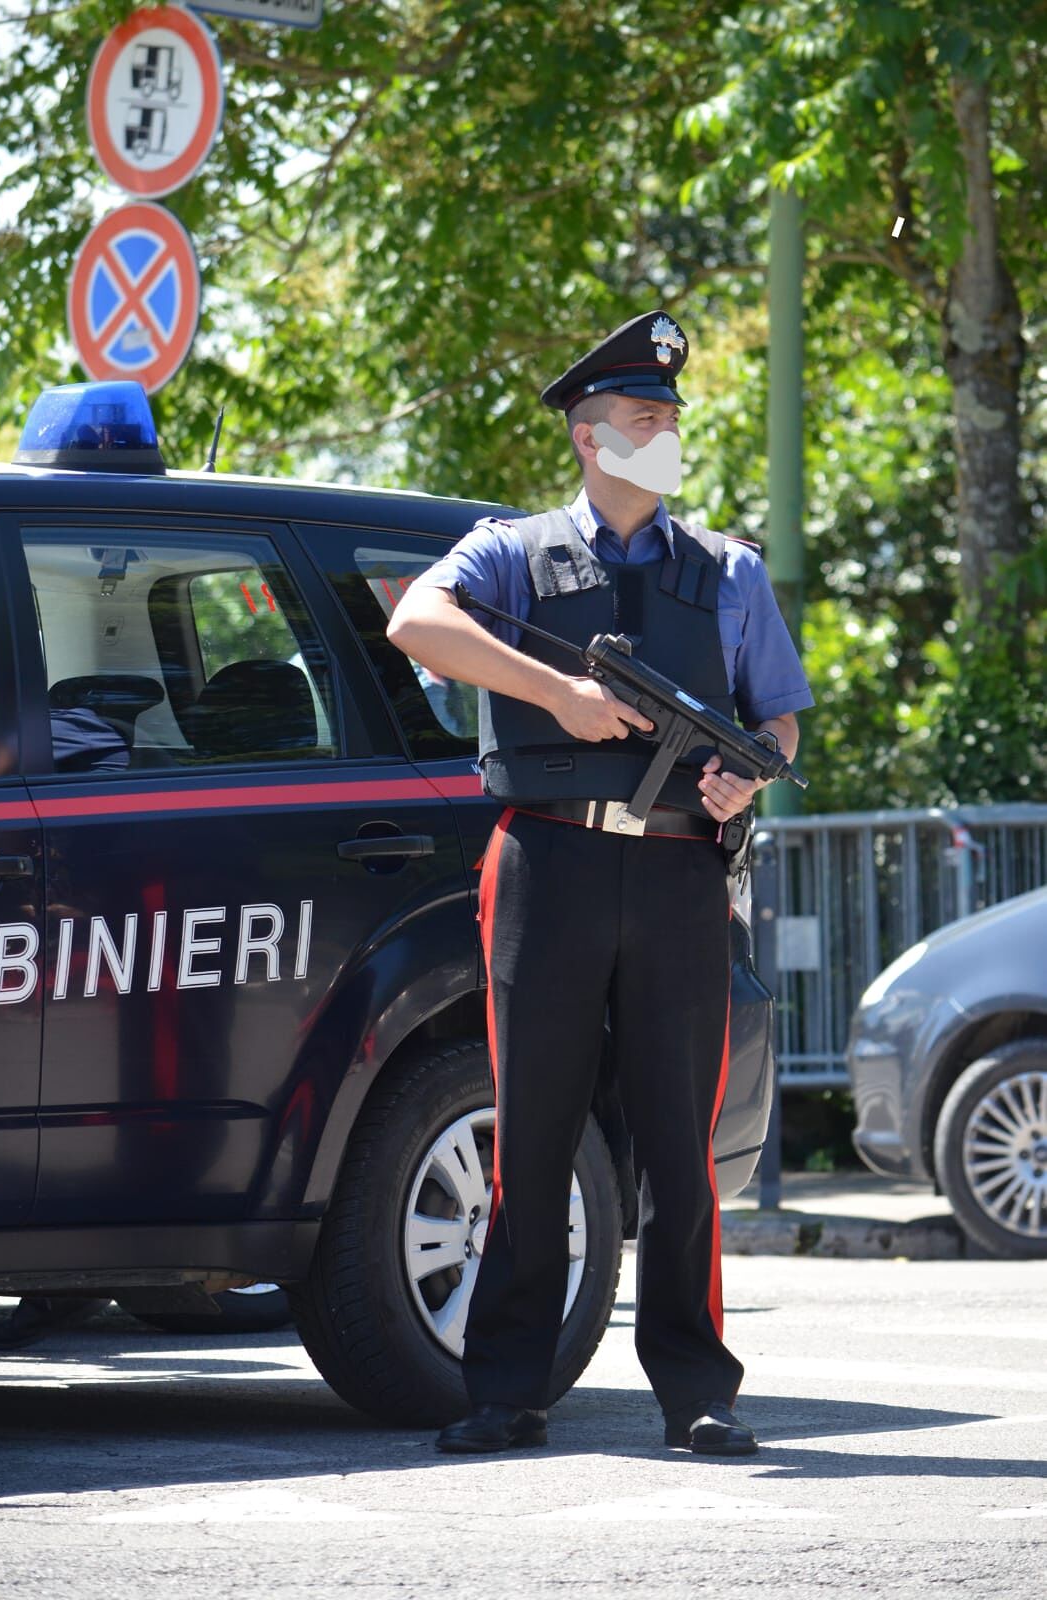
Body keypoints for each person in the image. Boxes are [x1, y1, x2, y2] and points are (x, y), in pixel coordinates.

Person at [387, 310, 813, 1457]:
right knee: (531, 1130)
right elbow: (415, 620)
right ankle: (507, 1387)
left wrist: (744, 779)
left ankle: (697, 1389)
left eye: (671, 417)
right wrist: (560, 695)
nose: (665, 430)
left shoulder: (727, 570)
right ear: (588, 438)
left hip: (679, 867)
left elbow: (777, 716)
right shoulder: (509, 551)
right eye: (642, 418)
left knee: (681, 1144)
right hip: (548, 859)